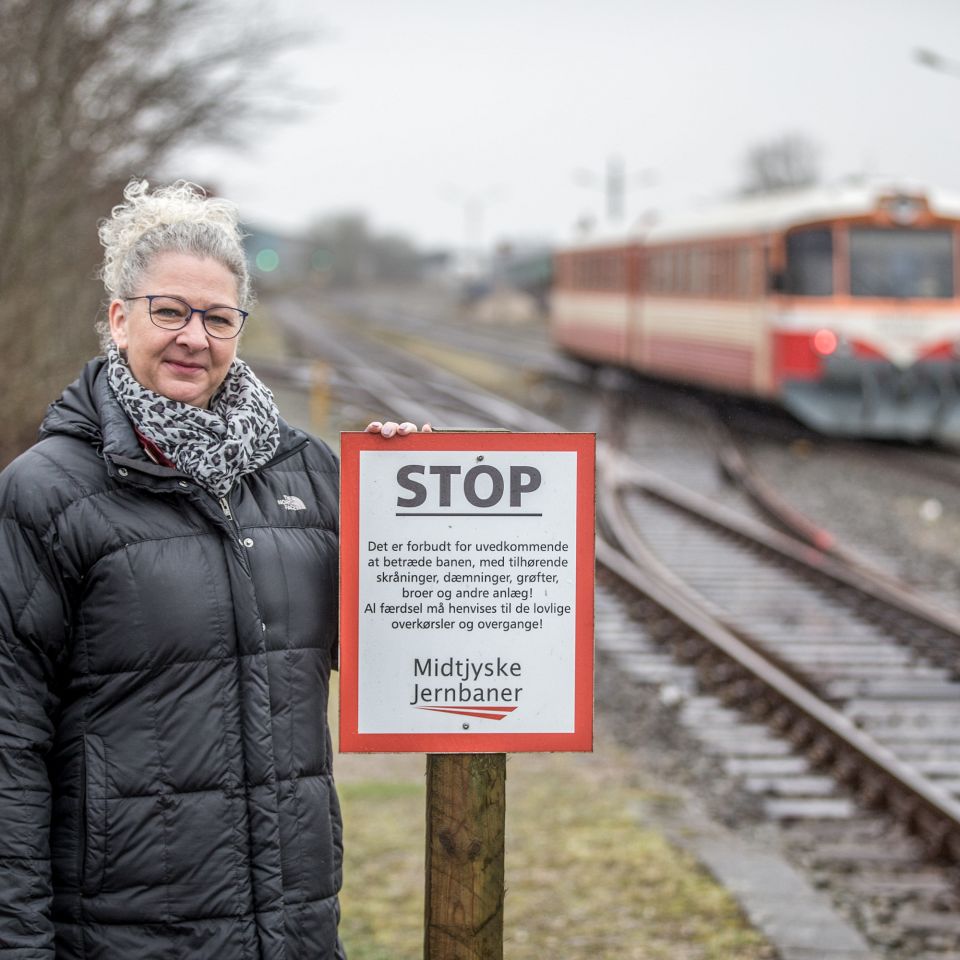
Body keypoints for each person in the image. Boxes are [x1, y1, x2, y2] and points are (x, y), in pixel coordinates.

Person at [0, 178, 425, 959]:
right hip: (126, 935)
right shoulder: (46, 494)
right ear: (119, 317)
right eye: (169, 311)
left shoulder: (311, 475)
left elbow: (391, 648)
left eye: (218, 317)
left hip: (292, 925)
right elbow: (8, 742)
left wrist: (407, 494)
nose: (194, 336)